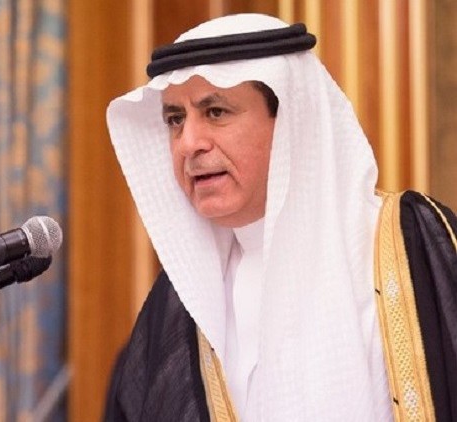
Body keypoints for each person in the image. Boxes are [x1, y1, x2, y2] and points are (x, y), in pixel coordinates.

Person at [103, 13, 457, 422]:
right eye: (175, 120)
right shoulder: (179, 303)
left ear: (291, 119)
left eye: (215, 112)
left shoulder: (409, 245)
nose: (189, 143)